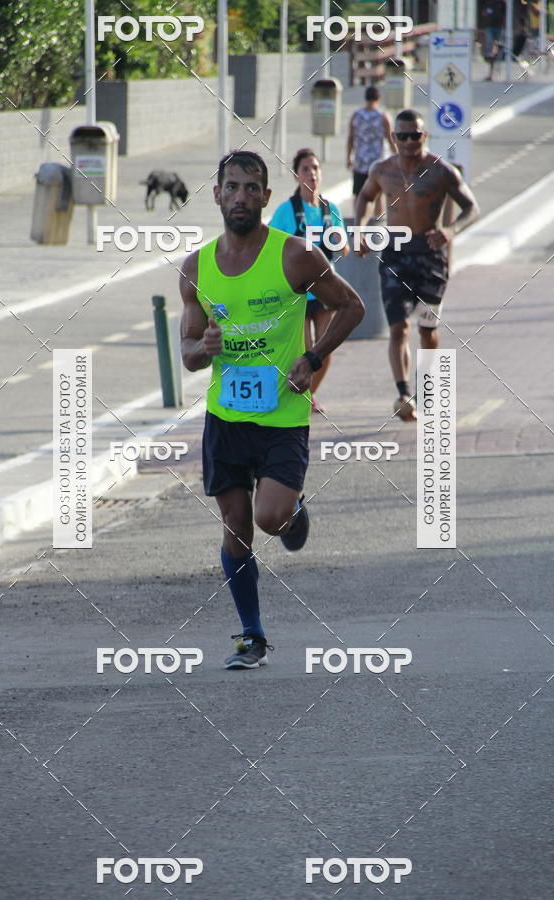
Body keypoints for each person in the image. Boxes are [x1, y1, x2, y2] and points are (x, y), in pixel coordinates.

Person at [179, 150, 364, 668]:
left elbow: (352, 306)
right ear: (216, 195)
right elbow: (188, 353)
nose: (241, 196)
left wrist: (312, 356)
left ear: (265, 197)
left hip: (281, 414)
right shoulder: (195, 269)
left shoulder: (294, 255)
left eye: (251, 188)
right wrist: (204, 351)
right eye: (231, 187)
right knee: (236, 526)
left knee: (271, 518)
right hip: (226, 419)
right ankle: (251, 634)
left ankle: (294, 511)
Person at [353, 110, 479, 421]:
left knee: (427, 328)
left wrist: (450, 231)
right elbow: (366, 197)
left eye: (415, 135)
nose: (409, 141)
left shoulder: (440, 171)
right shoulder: (382, 170)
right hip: (396, 255)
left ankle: (427, 384)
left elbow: (471, 208)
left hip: (430, 259)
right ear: (393, 137)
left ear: (424, 136)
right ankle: (402, 392)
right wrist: (359, 228)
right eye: (402, 135)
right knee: (398, 327)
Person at [269, 148, 349, 413]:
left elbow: (343, 247)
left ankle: (308, 395)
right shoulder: (286, 211)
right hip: (297, 292)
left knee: (324, 350)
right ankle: (296, 395)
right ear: (296, 175)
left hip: (325, 289)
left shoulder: (331, 209)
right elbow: (272, 249)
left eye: (315, 168)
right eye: (306, 169)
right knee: (303, 350)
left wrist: (341, 241)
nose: (312, 174)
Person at [346, 86, 396, 217]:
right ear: (378, 98)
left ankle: (357, 221)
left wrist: (348, 157)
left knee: (358, 193)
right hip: (377, 162)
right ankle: (377, 223)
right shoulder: (383, 116)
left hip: (360, 161)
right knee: (378, 195)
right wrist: (397, 157)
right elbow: (391, 139)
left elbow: (351, 138)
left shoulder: (356, 115)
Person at [481, 0, 506, 80]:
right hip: (491, 26)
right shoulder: (489, 3)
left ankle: (493, 56)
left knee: (497, 45)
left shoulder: (501, 3)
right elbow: (484, 12)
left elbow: (505, 15)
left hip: (498, 27)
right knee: (490, 45)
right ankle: (490, 56)